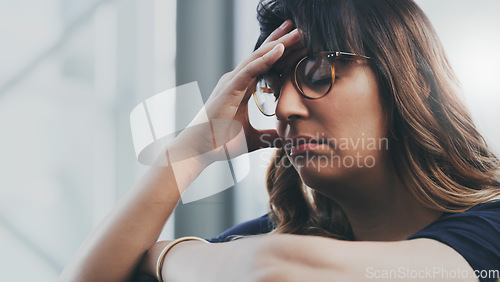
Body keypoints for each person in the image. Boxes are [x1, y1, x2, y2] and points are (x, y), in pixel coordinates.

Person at [60, 0, 500, 281]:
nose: (286, 107)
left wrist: (164, 254)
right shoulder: (282, 233)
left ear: (413, 79)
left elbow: (274, 271)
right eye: (272, 85)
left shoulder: (492, 231)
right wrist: (192, 150)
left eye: (316, 74)